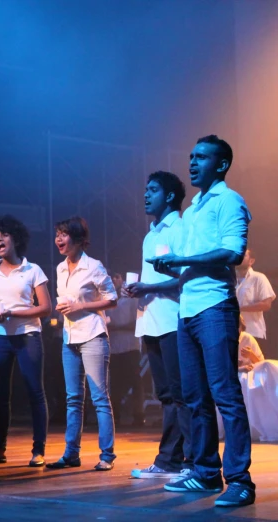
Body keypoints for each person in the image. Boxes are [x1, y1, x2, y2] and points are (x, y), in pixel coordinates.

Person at [147, 135, 255, 507]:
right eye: (191, 156)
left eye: (202, 157)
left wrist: (179, 260)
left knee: (225, 395)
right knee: (194, 398)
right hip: (188, 310)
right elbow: (188, 265)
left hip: (215, 308)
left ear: (221, 164)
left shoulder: (229, 201)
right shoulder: (191, 210)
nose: (192, 163)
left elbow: (233, 251)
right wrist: (171, 266)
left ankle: (240, 480)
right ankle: (206, 473)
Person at [127, 170, 192, 480]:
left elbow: (186, 278)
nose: (145, 194)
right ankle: (170, 460)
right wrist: (139, 287)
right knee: (166, 395)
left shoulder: (179, 229)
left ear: (168, 196)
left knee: (181, 395)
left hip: (172, 320)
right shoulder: (150, 235)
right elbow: (154, 279)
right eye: (145, 188)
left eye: (152, 189)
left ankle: (190, 462)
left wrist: (148, 288)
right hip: (150, 322)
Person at [0, 214, 51, 467]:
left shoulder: (33, 270)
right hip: (0, 339)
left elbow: (45, 308)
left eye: (4, 235)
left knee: (34, 392)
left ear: (16, 239)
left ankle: (38, 450)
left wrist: (14, 312)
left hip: (28, 336)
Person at [46, 216, 118, 471]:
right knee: (73, 398)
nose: (58, 239)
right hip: (69, 337)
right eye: (57, 235)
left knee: (99, 397)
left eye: (63, 234)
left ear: (77, 239)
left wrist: (81, 305)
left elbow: (112, 298)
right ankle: (71, 454)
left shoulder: (94, 266)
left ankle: (107, 455)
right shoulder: (60, 268)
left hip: (93, 336)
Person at [106, 272, 144, 427]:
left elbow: (138, 323)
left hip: (130, 346)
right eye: (112, 277)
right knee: (114, 383)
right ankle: (115, 416)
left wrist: (118, 327)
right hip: (114, 348)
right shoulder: (107, 299)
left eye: (117, 277)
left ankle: (138, 415)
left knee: (135, 382)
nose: (114, 280)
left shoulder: (131, 298)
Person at [236, 249, 275, 357]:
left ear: (251, 261)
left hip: (253, 331)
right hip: (233, 334)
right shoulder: (229, 279)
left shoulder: (259, 278)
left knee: (255, 367)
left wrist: (239, 308)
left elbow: (266, 304)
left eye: (243, 255)